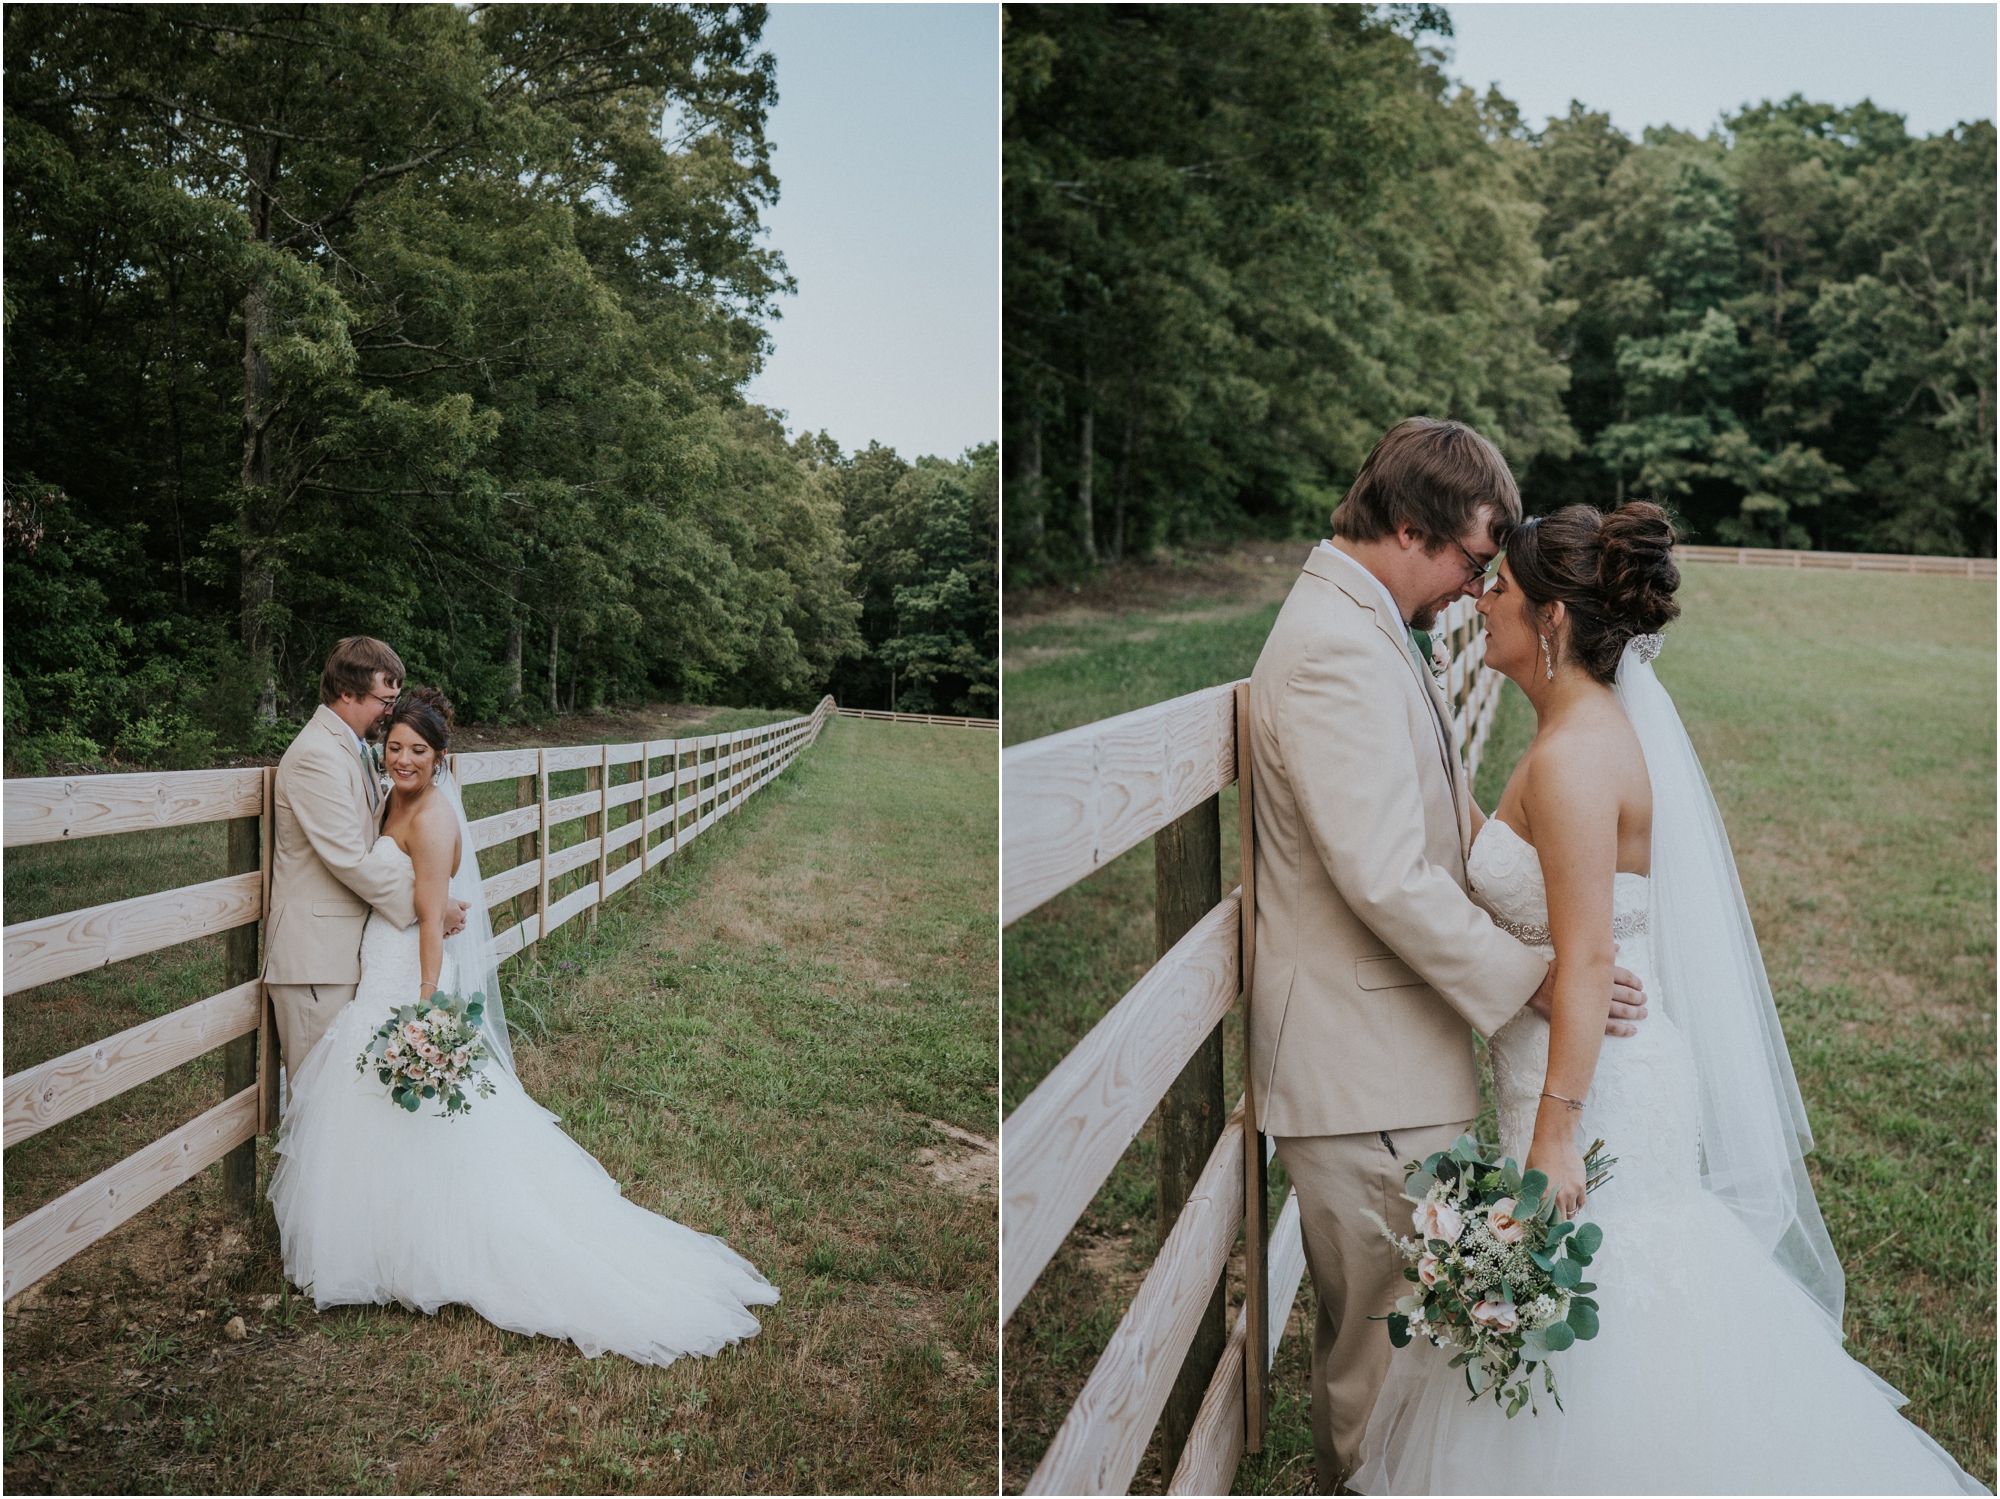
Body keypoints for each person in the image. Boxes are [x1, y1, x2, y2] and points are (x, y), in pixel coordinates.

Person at [1349, 504, 1985, 1494]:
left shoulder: (1569, 756)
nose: (1481, 603)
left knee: (1610, 1325)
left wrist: (1556, 1132)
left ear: (1550, 617)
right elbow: (1522, 864)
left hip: (1589, 1089)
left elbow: (1589, 954)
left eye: (1499, 590)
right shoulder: (1578, 732)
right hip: (1586, 1066)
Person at [1243, 418, 1649, 1492]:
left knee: (1413, 1358)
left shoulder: (1369, 624)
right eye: (1474, 560)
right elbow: (1383, 873)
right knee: (1379, 1379)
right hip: (1357, 1064)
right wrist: (1540, 976)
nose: (1479, 589)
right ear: (1410, 526)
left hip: (1389, 1052)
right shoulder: (1335, 645)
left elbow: (1425, 812)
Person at [268, 687, 778, 1365]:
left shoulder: (433, 817)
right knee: (382, 1118)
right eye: (394, 747)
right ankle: (390, 1242)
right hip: (378, 972)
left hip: (406, 981)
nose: (403, 759)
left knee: (414, 1120)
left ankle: (430, 1249)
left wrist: (424, 1006)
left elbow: (430, 922)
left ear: (441, 757)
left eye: (418, 750)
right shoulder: (393, 798)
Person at [266, 638, 467, 1076]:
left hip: (348, 954)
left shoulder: (353, 747)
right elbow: (350, 859)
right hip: (315, 959)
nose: (391, 712)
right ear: (347, 692)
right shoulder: (316, 756)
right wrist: (430, 907)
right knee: (315, 1101)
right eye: (386, 700)